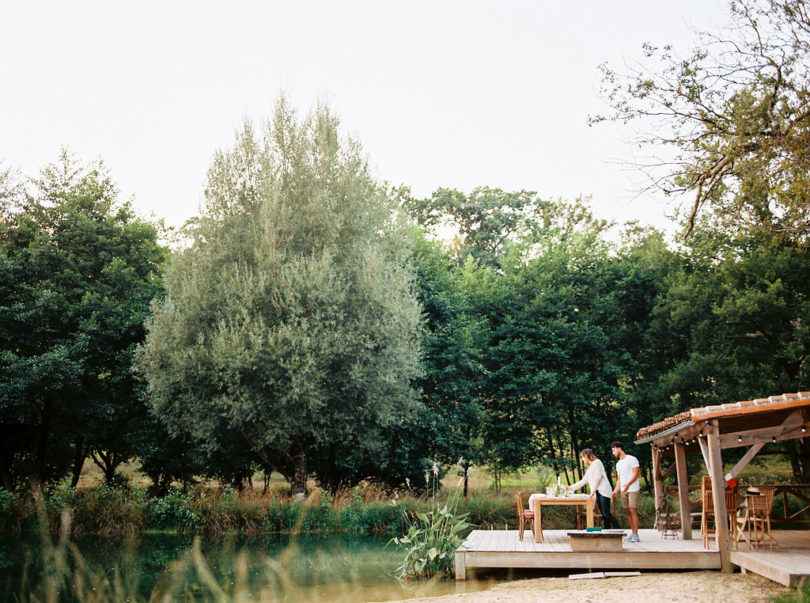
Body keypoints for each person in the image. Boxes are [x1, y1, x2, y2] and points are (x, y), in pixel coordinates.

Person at [565, 448, 621, 529]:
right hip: (598, 492)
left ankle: (619, 530)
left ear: (586, 456)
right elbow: (583, 481)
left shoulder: (597, 463)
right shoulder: (590, 468)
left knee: (606, 513)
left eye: (582, 457)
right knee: (604, 515)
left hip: (604, 491)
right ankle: (607, 532)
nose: (582, 459)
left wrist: (592, 491)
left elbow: (598, 477)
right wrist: (570, 487)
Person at [611, 441, 641, 542]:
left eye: (614, 450)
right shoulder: (618, 464)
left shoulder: (632, 459)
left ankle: (636, 534)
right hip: (623, 490)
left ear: (619, 448)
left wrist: (628, 484)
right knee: (628, 511)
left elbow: (636, 473)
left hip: (633, 489)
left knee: (633, 510)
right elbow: (619, 479)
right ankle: (632, 533)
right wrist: (615, 491)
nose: (613, 453)